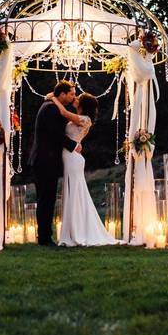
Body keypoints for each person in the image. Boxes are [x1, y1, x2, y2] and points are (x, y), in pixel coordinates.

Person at [47, 90, 118, 247]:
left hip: (72, 158)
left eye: (78, 98)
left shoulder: (85, 119)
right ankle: (74, 229)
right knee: (73, 191)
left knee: (75, 192)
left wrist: (53, 98)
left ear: (83, 104)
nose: (75, 98)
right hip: (71, 156)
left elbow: (63, 112)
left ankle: (77, 230)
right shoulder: (81, 117)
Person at [28, 81, 80, 246]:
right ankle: (44, 238)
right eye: (71, 93)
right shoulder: (50, 109)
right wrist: (74, 146)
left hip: (46, 161)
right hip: (45, 161)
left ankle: (44, 236)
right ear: (62, 94)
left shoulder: (52, 105)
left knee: (47, 199)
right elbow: (56, 134)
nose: (74, 97)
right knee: (46, 200)